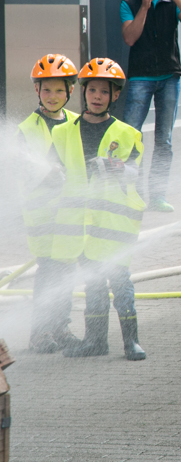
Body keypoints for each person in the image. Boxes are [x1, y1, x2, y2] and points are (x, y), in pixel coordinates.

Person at [52, 58, 147, 361]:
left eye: (104, 92)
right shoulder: (64, 133)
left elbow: (134, 174)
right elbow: (57, 171)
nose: (96, 96)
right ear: (83, 92)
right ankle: (95, 341)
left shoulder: (127, 134)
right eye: (92, 90)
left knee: (120, 282)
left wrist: (115, 167)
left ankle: (131, 341)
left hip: (114, 225)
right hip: (82, 225)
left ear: (115, 96)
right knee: (93, 285)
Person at [120, 0, 181, 213]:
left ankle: (157, 196)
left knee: (163, 140)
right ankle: (133, 194)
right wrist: (144, 6)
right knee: (131, 138)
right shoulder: (129, 4)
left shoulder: (171, 2)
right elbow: (130, 38)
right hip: (140, 78)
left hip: (169, 77)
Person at [16, 54, 81, 354]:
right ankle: (39, 333)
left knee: (66, 271)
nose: (52, 96)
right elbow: (21, 174)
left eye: (59, 90)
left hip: (70, 213)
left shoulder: (76, 123)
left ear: (69, 91)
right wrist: (45, 176)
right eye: (46, 90)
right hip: (42, 214)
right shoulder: (27, 129)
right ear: (37, 91)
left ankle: (60, 327)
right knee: (48, 272)